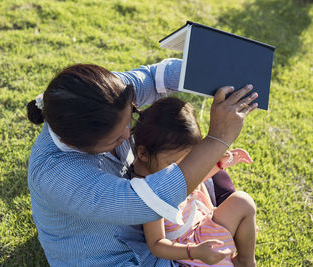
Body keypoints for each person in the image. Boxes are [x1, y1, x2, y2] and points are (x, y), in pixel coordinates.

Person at [26, 59, 258, 266]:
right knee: (200, 161)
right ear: (78, 146)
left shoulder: (107, 96)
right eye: (116, 138)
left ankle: (228, 230)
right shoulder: (56, 172)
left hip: (154, 214)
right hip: (115, 256)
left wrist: (217, 70)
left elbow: (157, 77)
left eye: (131, 117)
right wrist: (219, 138)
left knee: (205, 164)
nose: (129, 135)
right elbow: (146, 202)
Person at [131, 97, 257, 266]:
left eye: (188, 160)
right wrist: (194, 251)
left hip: (205, 222)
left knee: (242, 201)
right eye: (174, 163)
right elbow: (156, 244)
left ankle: (245, 260)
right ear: (143, 154)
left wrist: (219, 164)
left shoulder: (162, 168)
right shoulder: (148, 191)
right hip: (192, 246)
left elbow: (193, 182)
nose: (183, 169)